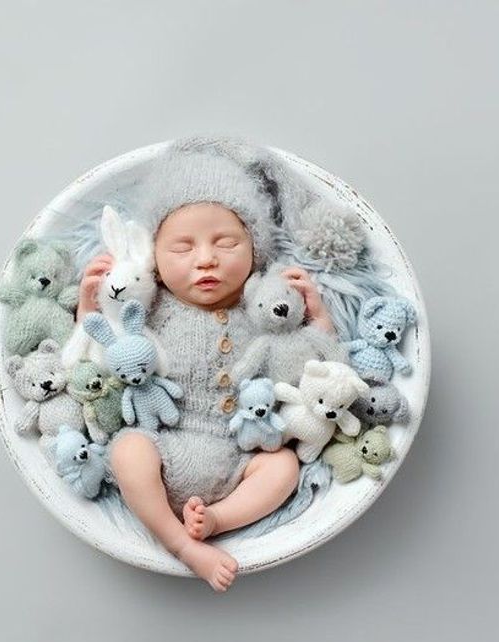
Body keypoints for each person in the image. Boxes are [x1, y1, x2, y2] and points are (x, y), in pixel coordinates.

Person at [75, 180, 338, 591]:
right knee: (128, 449)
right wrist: (89, 304)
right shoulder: (152, 306)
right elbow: (101, 349)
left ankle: (219, 519)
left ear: (255, 252)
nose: (206, 260)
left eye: (227, 243)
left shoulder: (260, 311)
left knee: (284, 467)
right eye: (183, 248)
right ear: (155, 262)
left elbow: (315, 363)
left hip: (242, 456)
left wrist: (317, 314)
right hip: (167, 447)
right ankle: (181, 544)